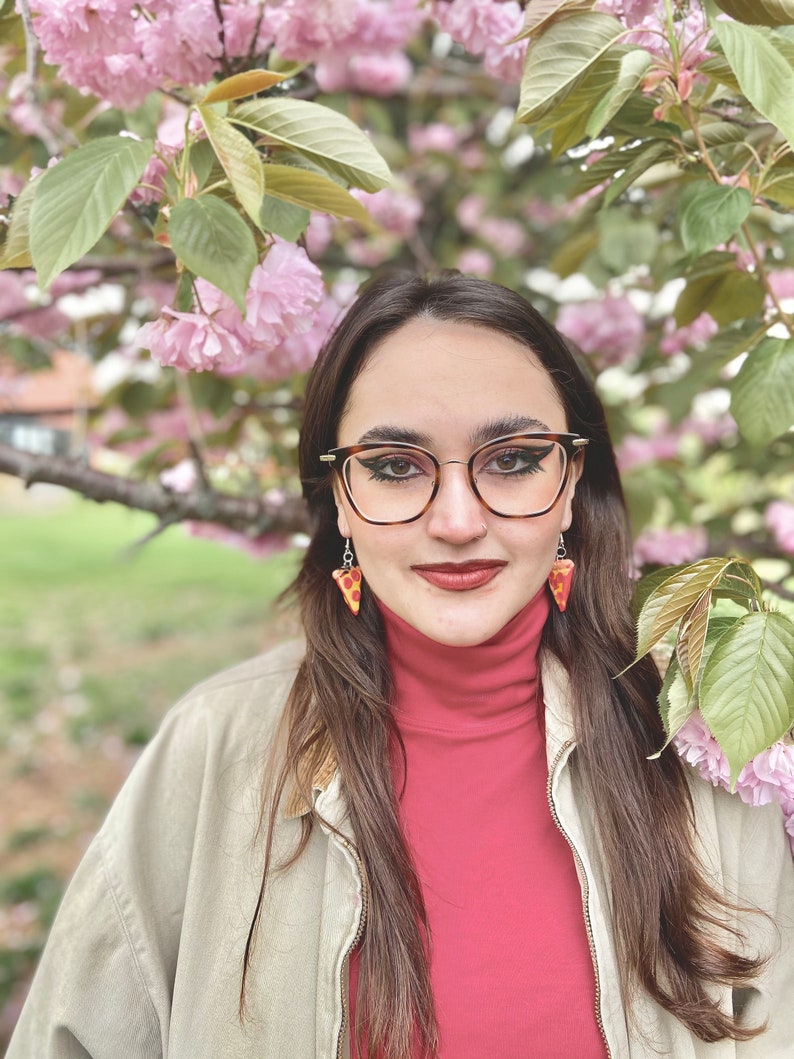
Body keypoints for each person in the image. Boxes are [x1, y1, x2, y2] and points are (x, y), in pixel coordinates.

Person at [7, 272, 794, 1059]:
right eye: (394, 466)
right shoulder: (213, 749)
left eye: (514, 459)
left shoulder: (699, 745)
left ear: (570, 485)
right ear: (340, 496)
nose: (457, 520)